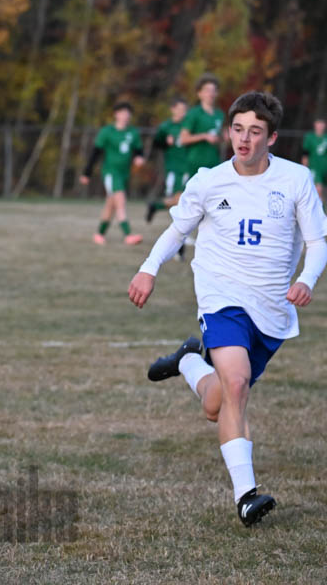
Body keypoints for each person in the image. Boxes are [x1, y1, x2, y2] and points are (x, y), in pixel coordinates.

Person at [128, 92, 327, 527]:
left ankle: (188, 362)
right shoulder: (208, 181)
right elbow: (176, 231)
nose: (244, 139)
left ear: (271, 138)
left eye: (255, 131)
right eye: (238, 129)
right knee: (236, 385)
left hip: (271, 309)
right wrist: (147, 270)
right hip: (221, 297)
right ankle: (246, 497)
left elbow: (317, 243)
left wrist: (306, 280)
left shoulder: (296, 180)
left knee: (217, 404)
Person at [80, 102, 145, 245]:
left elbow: (139, 150)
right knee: (120, 201)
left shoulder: (132, 132)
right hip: (111, 173)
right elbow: (95, 153)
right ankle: (128, 235)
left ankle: (99, 234)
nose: (126, 116)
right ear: (116, 114)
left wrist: (139, 157)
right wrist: (87, 173)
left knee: (111, 205)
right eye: (122, 113)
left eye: (128, 113)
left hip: (124, 174)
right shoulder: (107, 132)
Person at [145, 97, 189, 224]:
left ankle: (155, 206)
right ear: (172, 109)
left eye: (184, 110)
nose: (182, 112)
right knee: (179, 200)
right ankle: (180, 232)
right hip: (174, 167)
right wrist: (165, 141)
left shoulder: (188, 126)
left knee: (182, 200)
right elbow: (156, 144)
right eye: (179, 109)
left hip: (188, 167)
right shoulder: (166, 127)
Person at [180, 74, 224, 174]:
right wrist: (204, 136)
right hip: (195, 164)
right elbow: (183, 139)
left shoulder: (219, 114)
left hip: (214, 163)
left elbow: (219, 138)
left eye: (214, 90)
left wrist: (224, 137)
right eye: (207, 90)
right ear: (199, 93)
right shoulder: (193, 113)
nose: (211, 93)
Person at [300, 116, 327, 203]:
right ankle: (319, 209)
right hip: (314, 167)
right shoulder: (310, 137)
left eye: (322, 124)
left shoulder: (325, 138)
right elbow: (305, 154)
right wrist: (304, 168)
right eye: (318, 123)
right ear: (315, 124)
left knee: (322, 191)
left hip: (324, 168)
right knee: (318, 190)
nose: (320, 126)